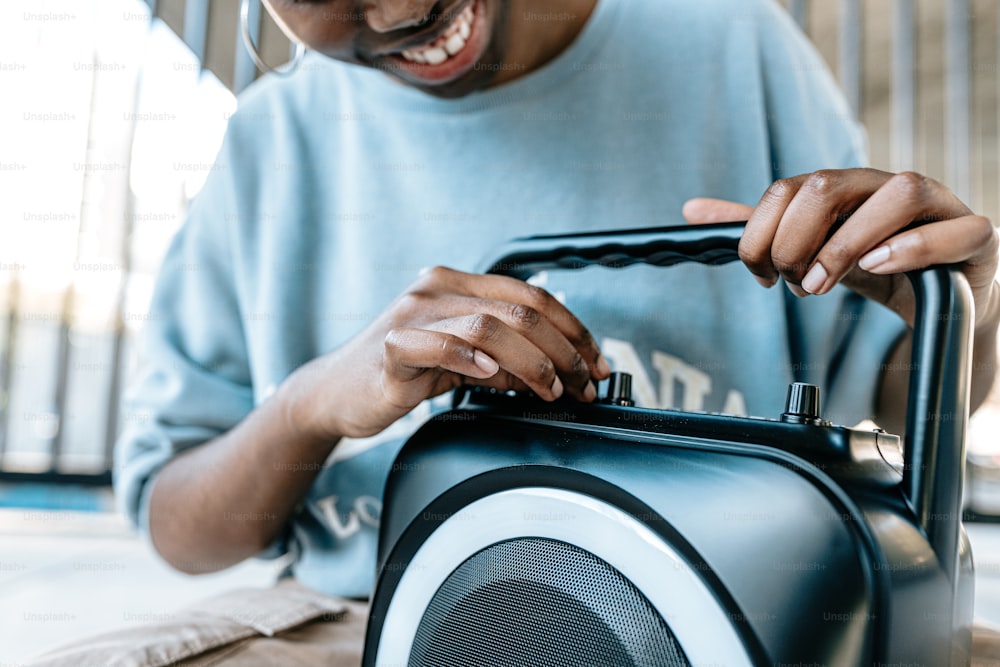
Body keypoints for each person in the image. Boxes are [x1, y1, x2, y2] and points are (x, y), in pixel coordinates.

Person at [31, 0, 1000, 664]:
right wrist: (311, 403)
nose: (396, 8)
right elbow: (177, 525)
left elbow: (908, 403)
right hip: (371, 617)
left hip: (730, 615)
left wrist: (960, 309)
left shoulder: (733, 41)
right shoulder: (269, 145)